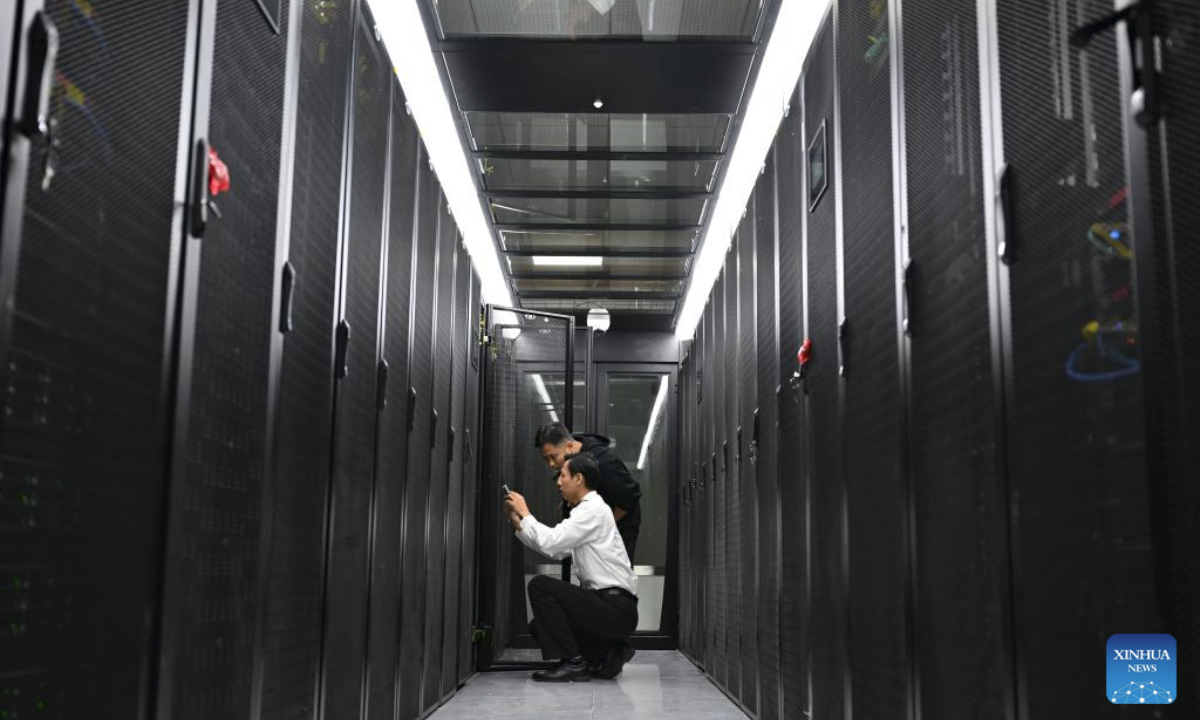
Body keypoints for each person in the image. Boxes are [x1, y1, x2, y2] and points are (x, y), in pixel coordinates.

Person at [505, 453, 638, 682]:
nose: (558, 481)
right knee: (540, 627)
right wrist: (520, 527)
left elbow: (551, 542)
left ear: (578, 478)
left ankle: (574, 663)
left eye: (563, 475)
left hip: (614, 607)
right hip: (611, 608)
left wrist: (526, 513)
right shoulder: (591, 510)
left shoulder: (592, 509)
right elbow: (556, 550)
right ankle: (606, 654)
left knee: (540, 586)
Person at [535, 422, 641, 563]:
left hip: (622, 524)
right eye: (545, 459)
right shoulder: (572, 451)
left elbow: (630, 497)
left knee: (614, 577)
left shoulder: (604, 462)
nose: (551, 464)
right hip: (598, 520)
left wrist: (603, 526)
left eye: (553, 457)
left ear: (570, 446)